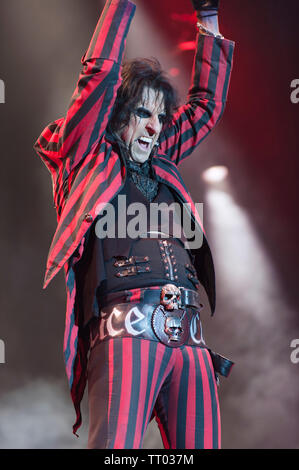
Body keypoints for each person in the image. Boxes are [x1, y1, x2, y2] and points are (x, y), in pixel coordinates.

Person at [34, 0, 235, 449]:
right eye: (143, 114)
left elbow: (206, 105)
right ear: (117, 114)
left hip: (190, 339)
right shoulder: (86, 157)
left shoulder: (163, 160)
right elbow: (100, 74)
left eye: (160, 117)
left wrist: (208, 16)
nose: (154, 127)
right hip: (127, 334)